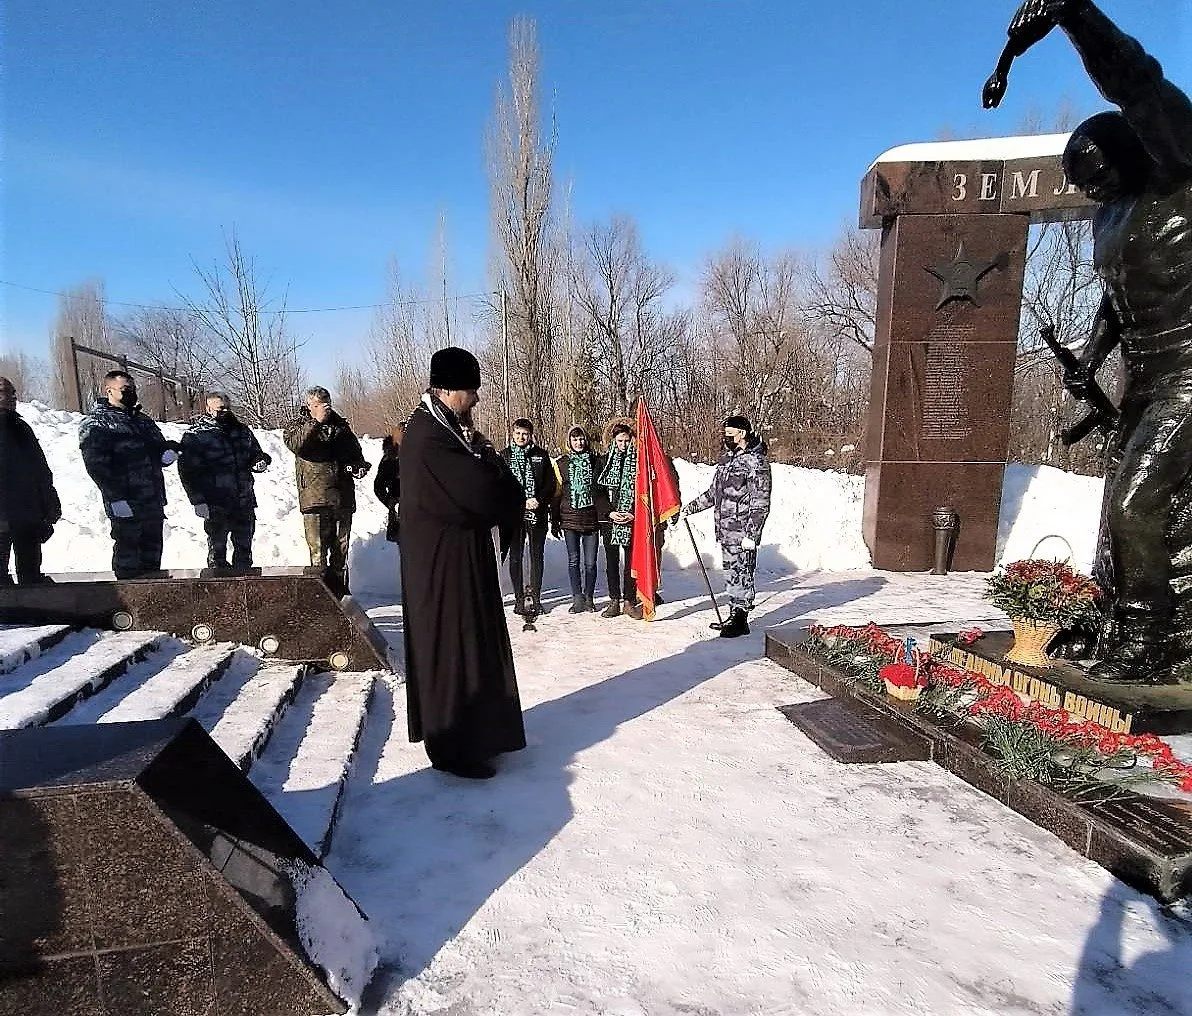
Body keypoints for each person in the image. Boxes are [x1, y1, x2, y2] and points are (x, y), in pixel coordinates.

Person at [988, 1, 1192, 682]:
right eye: (1083, 183)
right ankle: (1115, 614)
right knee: (1120, 505)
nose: (1092, 190)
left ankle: (1148, 635)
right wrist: (1094, 359)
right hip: (1145, 374)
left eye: (1099, 174)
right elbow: (1118, 296)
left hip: (1190, 369)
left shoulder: (1178, 176)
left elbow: (1136, 80)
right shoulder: (1112, 215)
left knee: (1137, 499)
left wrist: (1076, 14)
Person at [400, 346, 527, 780]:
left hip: (457, 558)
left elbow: (481, 479)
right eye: (471, 390)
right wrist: (499, 478)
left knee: (471, 644)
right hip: (441, 567)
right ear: (450, 389)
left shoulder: (446, 428)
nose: (475, 399)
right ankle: (456, 747)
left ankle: (480, 736)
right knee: (454, 650)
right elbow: (478, 491)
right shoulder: (428, 435)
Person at [79, 370, 178, 579]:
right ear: (109, 391)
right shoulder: (97, 423)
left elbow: (157, 446)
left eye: (133, 389)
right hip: (125, 502)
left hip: (152, 501)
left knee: (152, 560)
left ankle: (152, 604)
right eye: (125, 389)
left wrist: (166, 452)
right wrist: (115, 498)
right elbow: (96, 465)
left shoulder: (142, 420)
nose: (131, 393)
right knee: (128, 560)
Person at [680, 415, 772, 639]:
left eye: (729, 433)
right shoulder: (726, 460)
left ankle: (741, 618)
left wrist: (752, 534)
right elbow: (714, 493)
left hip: (742, 532)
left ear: (742, 433)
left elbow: (760, 501)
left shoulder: (756, 462)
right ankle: (733, 614)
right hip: (726, 530)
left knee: (743, 573)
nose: (726, 437)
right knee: (732, 574)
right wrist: (690, 508)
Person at [282, 386, 371, 597]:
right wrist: (316, 422)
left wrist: (358, 466)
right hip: (315, 499)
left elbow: (355, 455)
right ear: (309, 406)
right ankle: (319, 598)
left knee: (340, 553)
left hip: (342, 498)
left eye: (327, 403)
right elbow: (297, 445)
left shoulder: (341, 427)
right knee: (318, 555)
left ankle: (340, 595)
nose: (325, 408)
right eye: (319, 404)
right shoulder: (298, 425)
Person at [179, 393, 272, 570]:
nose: (225, 411)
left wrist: (260, 461)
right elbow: (187, 471)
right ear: (208, 408)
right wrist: (197, 500)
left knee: (244, 552)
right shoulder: (196, 435)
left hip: (243, 501)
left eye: (227, 407)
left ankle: (246, 589)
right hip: (215, 503)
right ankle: (219, 591)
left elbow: (256, 453)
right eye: (220, 408)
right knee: (217, 554)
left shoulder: (242, 430)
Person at [0, 376, 60, 585]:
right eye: (3, 393)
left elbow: (40, 469)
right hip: (3, 516)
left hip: (27, 514)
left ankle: (34, 606)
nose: (10, 398)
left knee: (30, 570)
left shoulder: (21, 427)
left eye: (12, 393)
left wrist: (49, 500)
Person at [500, 418, 557, 616]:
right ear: (512, 435)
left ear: (530, 435)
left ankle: (536, 598)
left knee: (536, 556)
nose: (521, 437)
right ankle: (518, 599)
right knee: (516, 557)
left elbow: (550, 484)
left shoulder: (541, 455)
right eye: (518, 434)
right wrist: (519, 502)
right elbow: (500, 485)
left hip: (537, 513)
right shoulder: (504, 456)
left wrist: (538, 500)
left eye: (525, 434)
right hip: (513, 515)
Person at [551, 426, 602, 613]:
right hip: (569, 518)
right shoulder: (561, 463)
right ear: (569, 442)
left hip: (591, 519)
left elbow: (601, 491)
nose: (578, 443)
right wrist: (554, 519)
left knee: (591, 562)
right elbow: (556, 494)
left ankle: (589, 597)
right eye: (574, 439)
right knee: (574, 561)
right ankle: (577, 598)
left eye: (581, 439)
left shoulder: (595, 461)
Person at [597, 420, 642, 620]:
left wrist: (632, 512)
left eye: (626, 440)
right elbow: (597, 491)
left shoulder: (638, 461)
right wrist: (609, 512)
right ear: (613, 441)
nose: (623, 444)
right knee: (612, 561)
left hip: (631, 518)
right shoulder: (604, 461)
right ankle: (614, 599)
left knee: (631, 561)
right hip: (610, 520)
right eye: (620, 441)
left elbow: (642, 491)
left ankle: (629, 600)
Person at [373, 423, 405, 544]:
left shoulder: (419, 456)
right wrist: (390, 503)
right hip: (398, 510)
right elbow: (378, 486)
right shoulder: (389, 460)